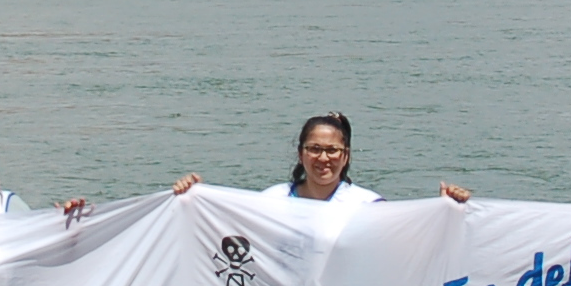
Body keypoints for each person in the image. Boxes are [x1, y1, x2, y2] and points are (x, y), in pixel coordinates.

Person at [173, 112, 470, 202]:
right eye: (314, 149)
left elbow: (412, 248)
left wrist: (446, 210)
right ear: (301, 154)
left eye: (332, 150)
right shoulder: (271, 201)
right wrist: (193, 197)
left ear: (346, 156)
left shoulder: (368, 205)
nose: (323, 158)